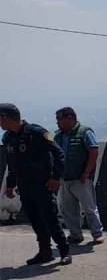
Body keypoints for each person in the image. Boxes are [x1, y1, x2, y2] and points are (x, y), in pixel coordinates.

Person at [0, 103, 72, 265]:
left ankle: (64, 251)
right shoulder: (8, 137)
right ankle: (45, 251)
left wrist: (55, 177)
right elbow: (12, 164)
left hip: (42, 183)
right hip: (24, 185)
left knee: (50, 218)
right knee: (34, 218)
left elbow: (59, 153)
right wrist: (10, 185)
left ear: (5, 117)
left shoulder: (36, 132)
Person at [54, 107, 104, 245]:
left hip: (80, 178)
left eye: (60, 119)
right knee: (67, 209)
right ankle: (76, 234)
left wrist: (86, 172)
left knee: (89, 208)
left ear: (70, 118)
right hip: (65, 178)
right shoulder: (59, 135)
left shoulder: (84, 132)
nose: (58, 123)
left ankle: (97, 233)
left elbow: (93, 151)